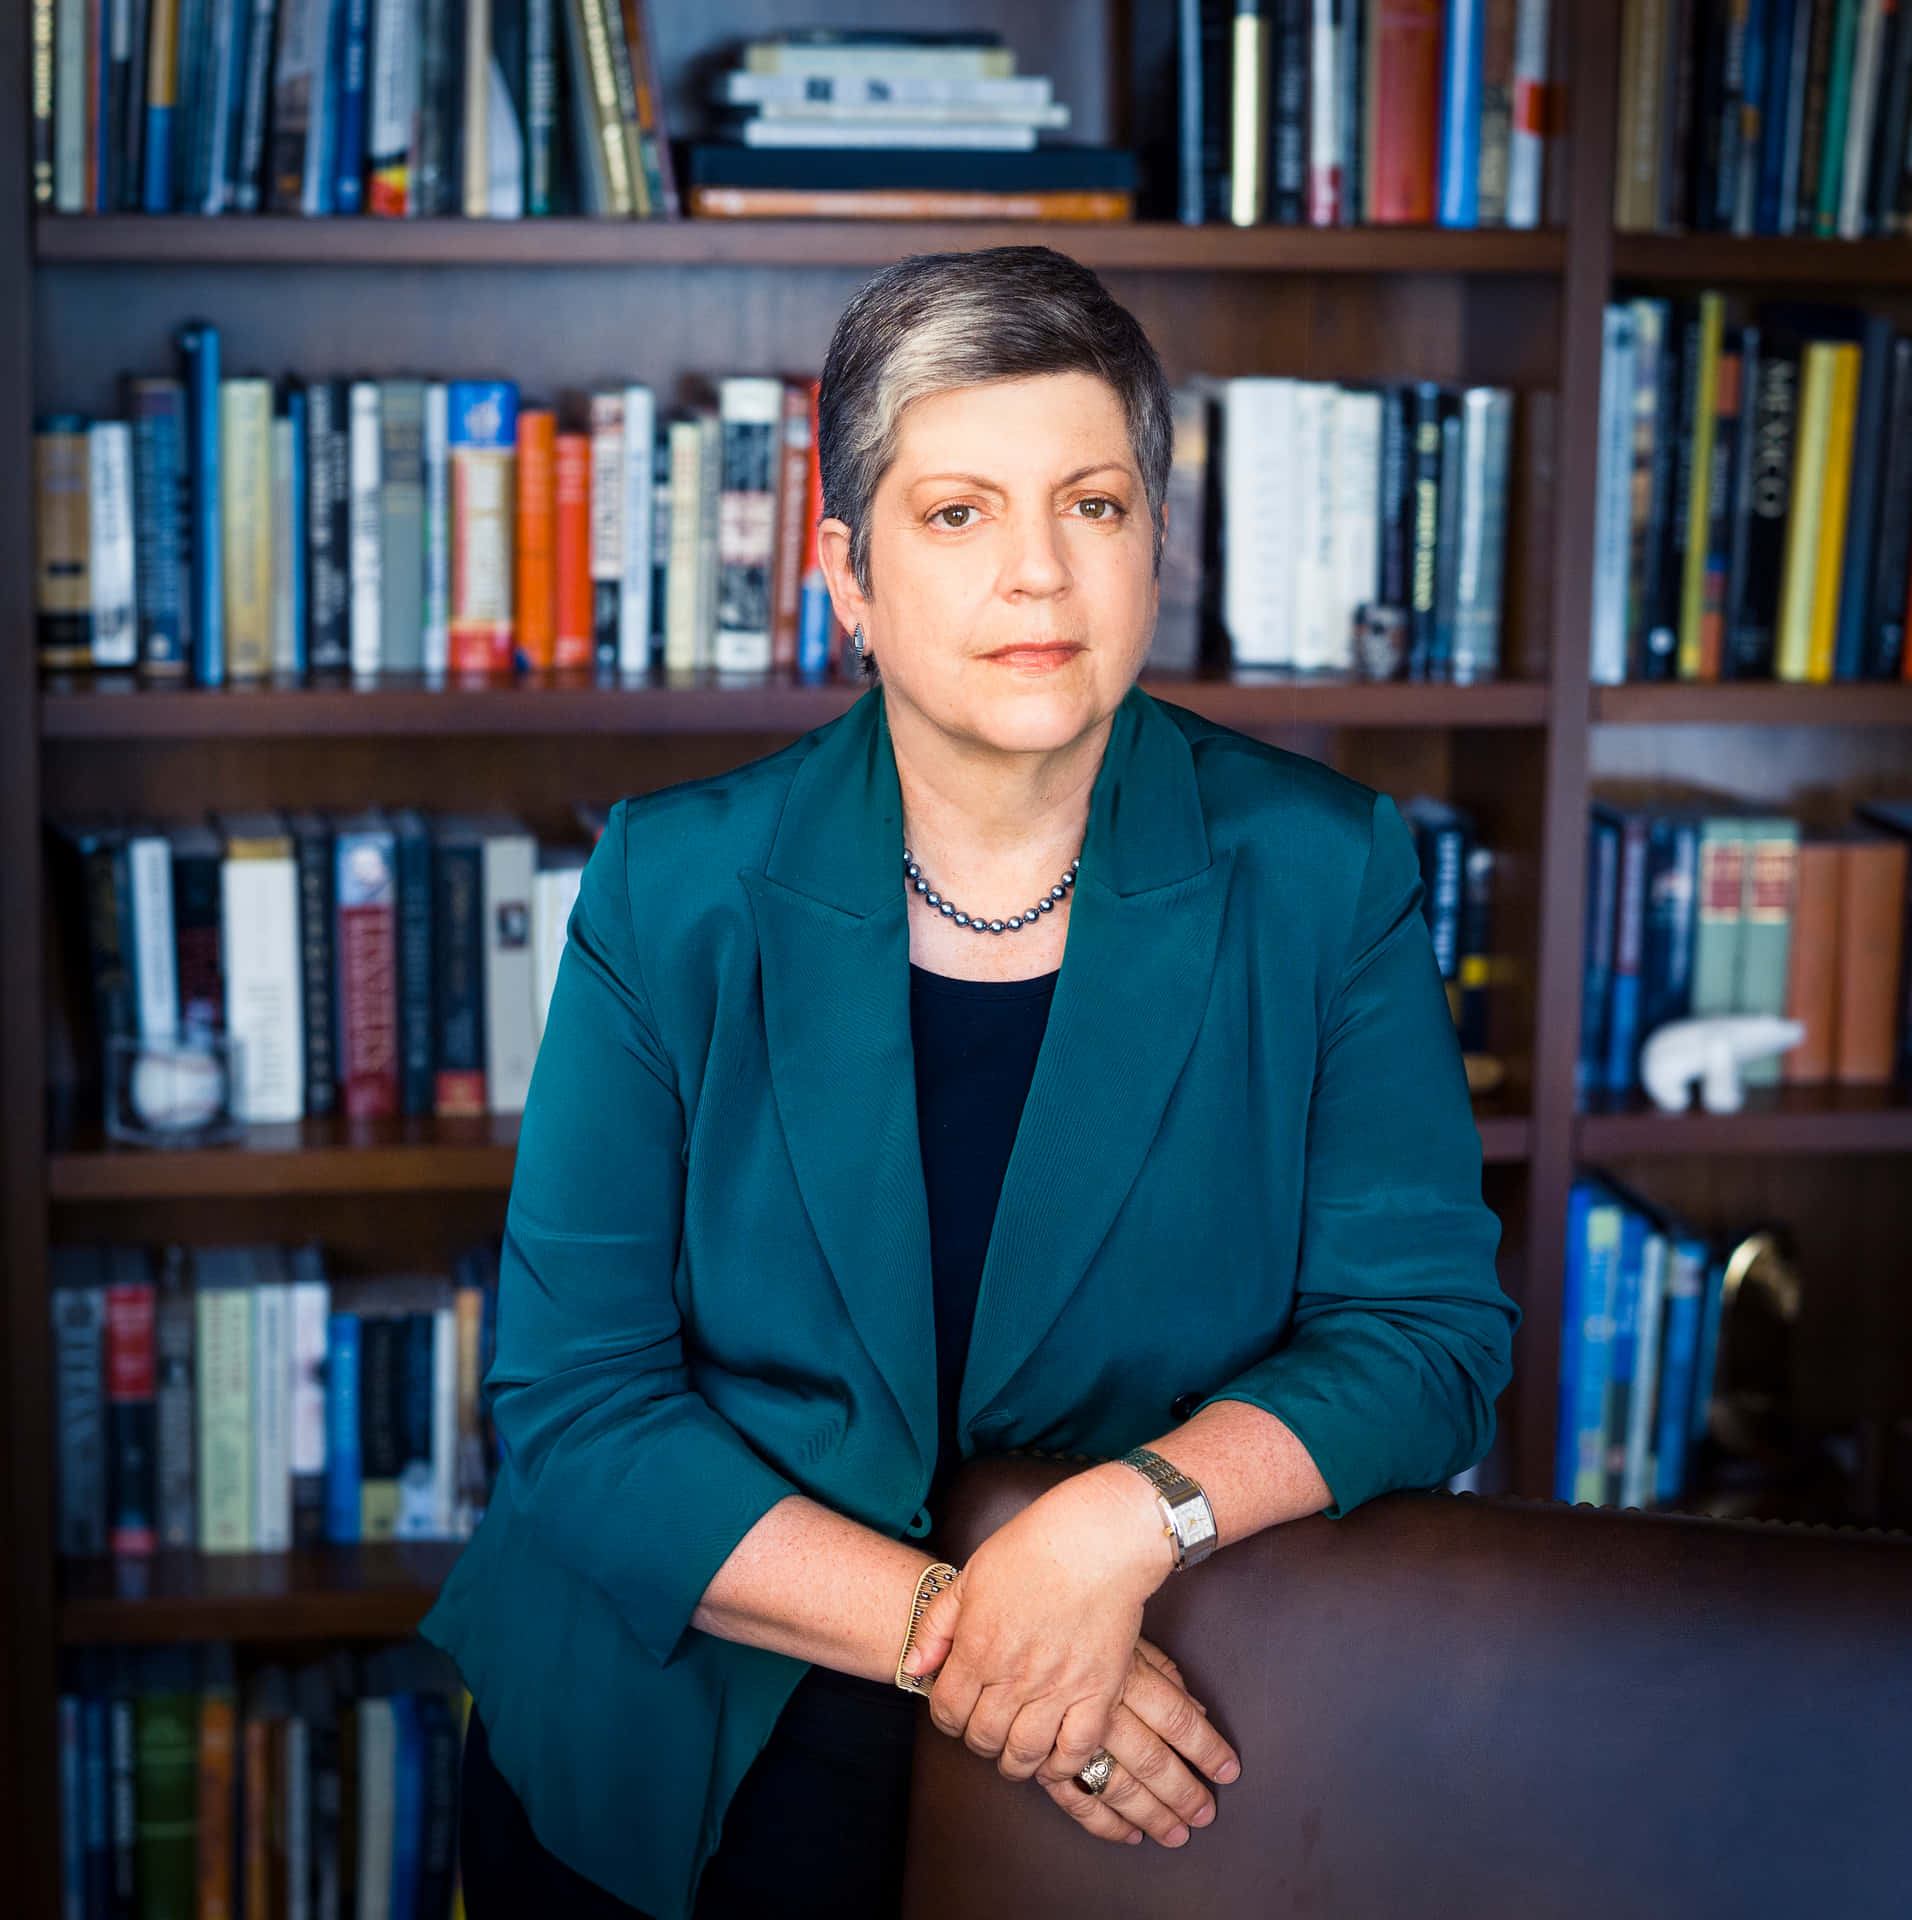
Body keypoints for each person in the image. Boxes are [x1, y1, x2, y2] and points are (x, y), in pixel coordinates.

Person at [420, 245, 1520, 1920]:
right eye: (957, 515)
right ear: (845, 575)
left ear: (1155, 542)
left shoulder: (1321, 872)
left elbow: (1428, 1338)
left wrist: (1122, 1526)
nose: (1038, 577)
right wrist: (970, 1640)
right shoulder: (673, 887)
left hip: (1160, 1720)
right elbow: (579, 1412)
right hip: (700, 1721)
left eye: (1092, 504)